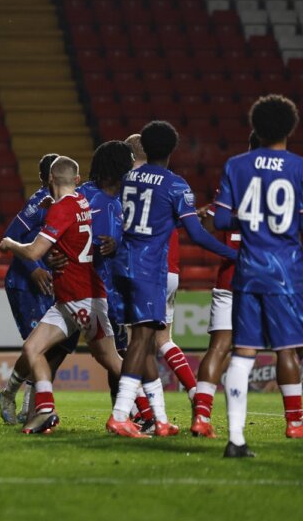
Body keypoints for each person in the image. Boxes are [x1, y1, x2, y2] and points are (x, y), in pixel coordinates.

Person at [106, 121, 237, 438]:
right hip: (150, 268)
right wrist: (234, 254)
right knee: (143, 340)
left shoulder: (125, 179)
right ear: (172, 150)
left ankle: (160, 418)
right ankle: (121, 414)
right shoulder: (176, 185)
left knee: (147, 341)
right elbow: (197, 234)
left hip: (121, 265)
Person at [0, 156, 127, 435]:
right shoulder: (81, 201)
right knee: (33, 349)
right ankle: (44, 410)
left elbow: (33, 251)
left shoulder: (63, 208)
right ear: (78, 181)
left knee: (109, 358)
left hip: (82, 296)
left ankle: (149, 406)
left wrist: (10, 244)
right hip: (67, 297)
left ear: (49, 181)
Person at [213, 94, 303, 457]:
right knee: (287, 349)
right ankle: (295, 423)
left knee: (243, 353)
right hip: (285, 271)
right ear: (290, 128)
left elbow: (220, 221)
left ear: (255, 127)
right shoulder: (299, 167)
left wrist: (247, 221)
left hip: (247, 270)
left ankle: (235, 439)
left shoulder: (236, 165)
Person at [191, 131, 260, 438]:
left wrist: (206, 216)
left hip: (230, 275)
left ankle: (201, 417)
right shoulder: (287, 176)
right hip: (268, 276)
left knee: (218, 347)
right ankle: (295, 421)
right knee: (289, 350)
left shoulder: (233, 178)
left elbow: (209, 224)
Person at [125, 134, 197, 403]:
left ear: (131, 155)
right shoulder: (171, 181)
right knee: (163, 339)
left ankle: (141, 410)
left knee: (135, 342)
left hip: (142, 269)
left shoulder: (127, 182)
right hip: (171, 269)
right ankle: (195, 392)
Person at [0, 153, 63, 425]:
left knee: (47, 348)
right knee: (38, 347)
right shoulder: (38, 203)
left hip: (50, 284)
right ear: (47, 178)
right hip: (24, 283)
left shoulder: (68, 202)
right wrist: (34, 267)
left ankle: (22, 402)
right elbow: (10, 236)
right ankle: (16, 399)